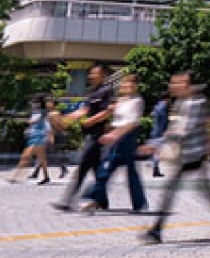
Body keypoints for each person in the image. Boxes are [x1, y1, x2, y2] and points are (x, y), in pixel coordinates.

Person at [141, 72, 210, 244]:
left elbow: (187, 130)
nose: (173, 86)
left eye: (177, 83)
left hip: (194, 154)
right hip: (187, 154)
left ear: (187, 84)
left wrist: (159, 142)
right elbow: (177, 128)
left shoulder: (195, 103)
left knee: (171, 191)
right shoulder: (181, 103)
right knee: (205, 192)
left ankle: (156, 229)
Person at [84, 74, 148, 213]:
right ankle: (96, 198)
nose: (127, 87)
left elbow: (131, 123)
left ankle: (95, 197)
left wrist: (114, 135)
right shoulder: (121, 100)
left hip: (127, 137)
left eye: (130, 84)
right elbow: (110, 116)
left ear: (136, 86)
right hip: (117, 137)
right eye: (125, 84)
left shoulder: (137, 101)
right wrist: (104, 128)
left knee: (117, 169)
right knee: (108, 167)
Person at [54, 63, 113, 210]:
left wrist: (91, 121)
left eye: (95, 73)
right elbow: (83, 110)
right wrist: (66, 119)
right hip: (90, 135)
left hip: (97, 136)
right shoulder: (90, 92)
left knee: (83, 169)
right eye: (91, 73)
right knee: (95, 169)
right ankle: (103, 201)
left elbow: (107, 112)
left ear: (103, 75)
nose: (91, 76)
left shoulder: (106, 91)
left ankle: (67, 201)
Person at [11, 96, 55, 186]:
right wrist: (28, 129)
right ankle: (46, 177)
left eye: (35, 102)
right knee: (42, 159)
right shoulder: (36, 112)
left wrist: (50, 135)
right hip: (34, 137)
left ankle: (14, 177)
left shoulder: (42, 113)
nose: (33, 104)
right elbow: (33, 123)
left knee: (26, 156)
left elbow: (44, 124)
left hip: (39, 138)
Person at [147, 94, 168, 178]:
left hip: (154, 131)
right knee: (158, 151)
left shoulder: (156, 106)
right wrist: (164, 130)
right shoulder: (162, 107)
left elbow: (152, 115)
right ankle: (155, 169)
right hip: (159, 132)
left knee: (156, 150)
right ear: (166, 99)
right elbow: (162, 120)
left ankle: (155, 169)